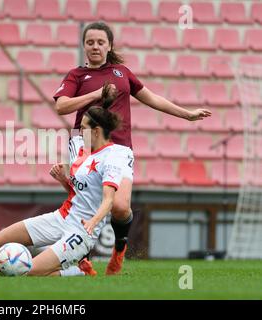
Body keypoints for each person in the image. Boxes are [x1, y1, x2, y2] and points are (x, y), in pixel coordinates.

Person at [53, 21, 212, 275]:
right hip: (84, 145)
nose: (95, 46)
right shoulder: (76, 75)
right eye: (90, 42)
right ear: (84, 46)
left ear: (109, 45)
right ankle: (83, 259)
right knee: (84, 205)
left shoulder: (122, 72)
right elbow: (61, 106)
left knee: (119, 206)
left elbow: (153, 99)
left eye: (100, 42)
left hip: (118, 146)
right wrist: (96, 95)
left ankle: (119, 250)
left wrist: (187, 115)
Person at [0, 89, 129, 276]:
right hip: (62, 217)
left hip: (82, 231)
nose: (80, 132)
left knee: (27, 272)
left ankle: (76, 272)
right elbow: (78, 192)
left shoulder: (112, 157)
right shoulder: (82, 149)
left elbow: (109, 200)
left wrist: (93, 222)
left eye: (84, 129)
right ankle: (58, 261)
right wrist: (63, 180)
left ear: (96, 131)